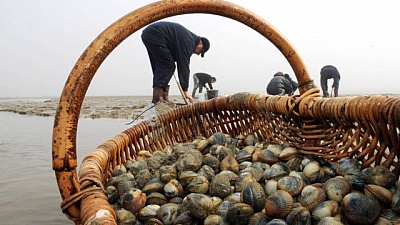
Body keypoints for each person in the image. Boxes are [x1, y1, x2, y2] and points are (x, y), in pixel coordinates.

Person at [141, 21, 210, 104]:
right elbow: (183, 66)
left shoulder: (188, 39)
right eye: (201, 51)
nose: (198, 54)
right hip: (156, 33)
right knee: (168, 65)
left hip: (150, 34)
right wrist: (185, 90)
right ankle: (157, 99)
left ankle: (162, 97)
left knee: (161, 65)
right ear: (200, 43)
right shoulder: (189, 42)